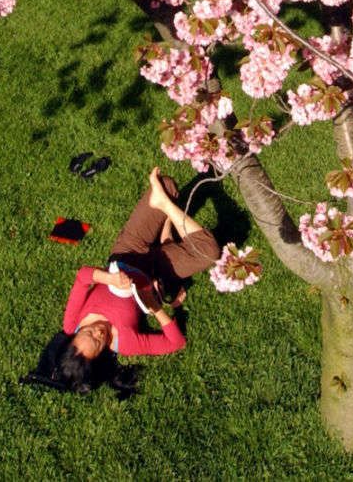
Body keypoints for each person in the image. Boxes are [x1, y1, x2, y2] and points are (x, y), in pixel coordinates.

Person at [27, 166, 220, 395]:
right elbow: (176, 343)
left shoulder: (71, 323)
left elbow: (82, 277)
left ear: (74, 335)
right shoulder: (126, 343)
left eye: (88, 333)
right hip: (157, 271)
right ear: (101, 355)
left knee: (167, 185)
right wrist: (157, 308)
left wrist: (108, 278)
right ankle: (167, 215)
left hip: (128, 251)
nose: (98, 332)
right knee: (210, 252)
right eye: (98, 342)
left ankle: (166, 224)